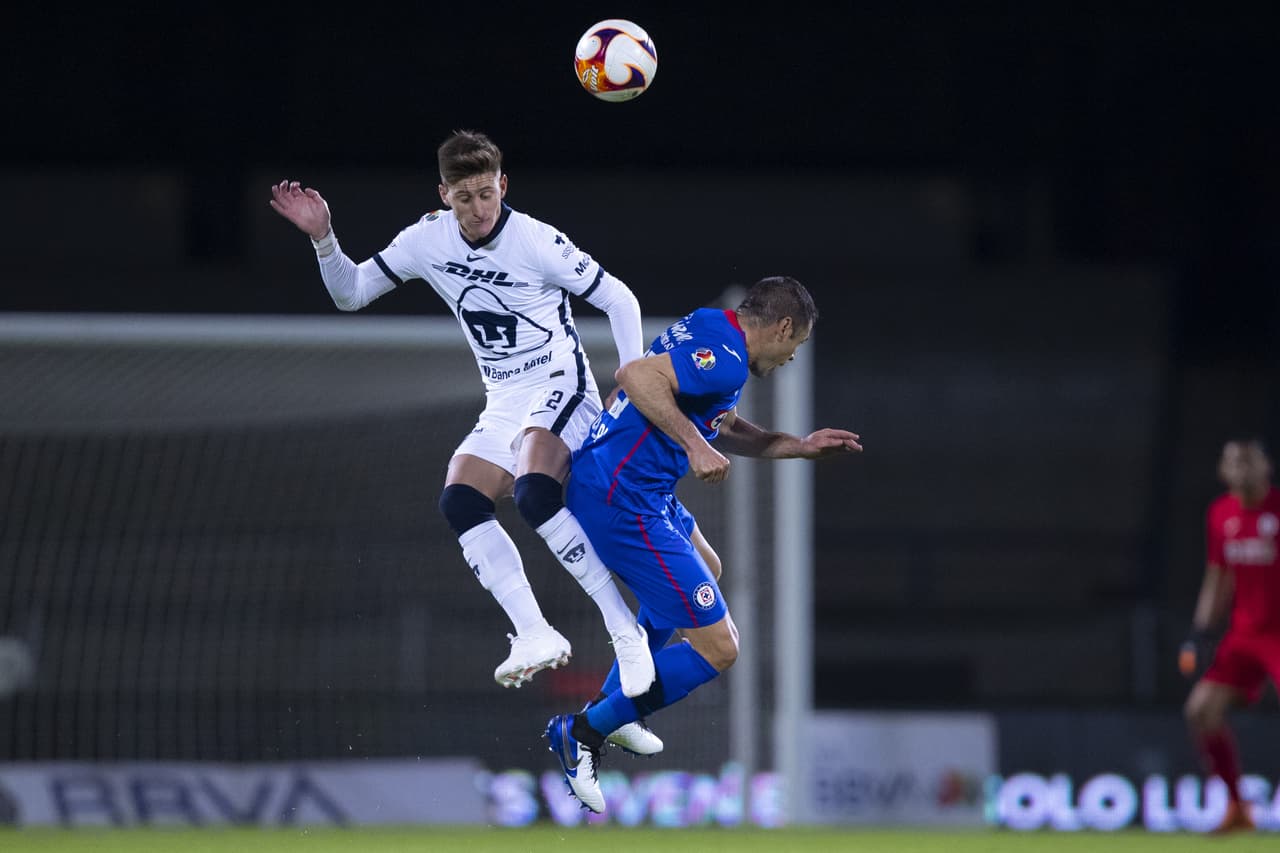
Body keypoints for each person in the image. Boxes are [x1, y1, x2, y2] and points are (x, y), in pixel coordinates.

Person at [268, 129, 657, 698]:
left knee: (534, 491)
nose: (478, 209)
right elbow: (351, 293)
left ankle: (624, 631)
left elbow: (620, 299)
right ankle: (534, 633)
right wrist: (324, 238)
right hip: (504, 398)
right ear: (444, 195)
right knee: (460, 499)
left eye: (487, 193)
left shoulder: (536, 240)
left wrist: (631, 380)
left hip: (562, 384)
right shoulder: (426, 240)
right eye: (465, 197)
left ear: (503, 185)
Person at [543, 276, 863, 812]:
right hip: (622, 500)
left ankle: (618, 703)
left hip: (632, 484)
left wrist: (799, 446)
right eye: (796, 344)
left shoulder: (715, 326)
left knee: (707, 565)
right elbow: (634, 376)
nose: (791, 357)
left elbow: (721, 423)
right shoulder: (729, 361)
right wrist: (694, 447)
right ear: (783, 327)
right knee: (721, 648)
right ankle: (584, 731)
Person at [1180, 436, 1280, 834]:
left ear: (1266, 467)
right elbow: (1218, 576)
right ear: (1223, 471)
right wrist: (1199, 633)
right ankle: (1237, 807)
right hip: (1244, 634)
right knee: (1200, 710)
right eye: (1234, 462)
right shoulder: (1221, 513)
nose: (1242, 469)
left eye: (1249, 461)